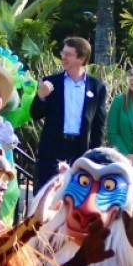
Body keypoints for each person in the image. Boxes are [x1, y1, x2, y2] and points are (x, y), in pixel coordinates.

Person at [30, 38, 107, 188]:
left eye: (68, 54)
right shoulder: (50, 82)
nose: (63, 58)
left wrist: (95, 156)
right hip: (53, 150)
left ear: (82, 58)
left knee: (76, 198)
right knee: (45, 197)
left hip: (80, 150)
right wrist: (41, 96)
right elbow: (35, 114)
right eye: (63, 53)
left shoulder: (97, 87)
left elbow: (99, 126)